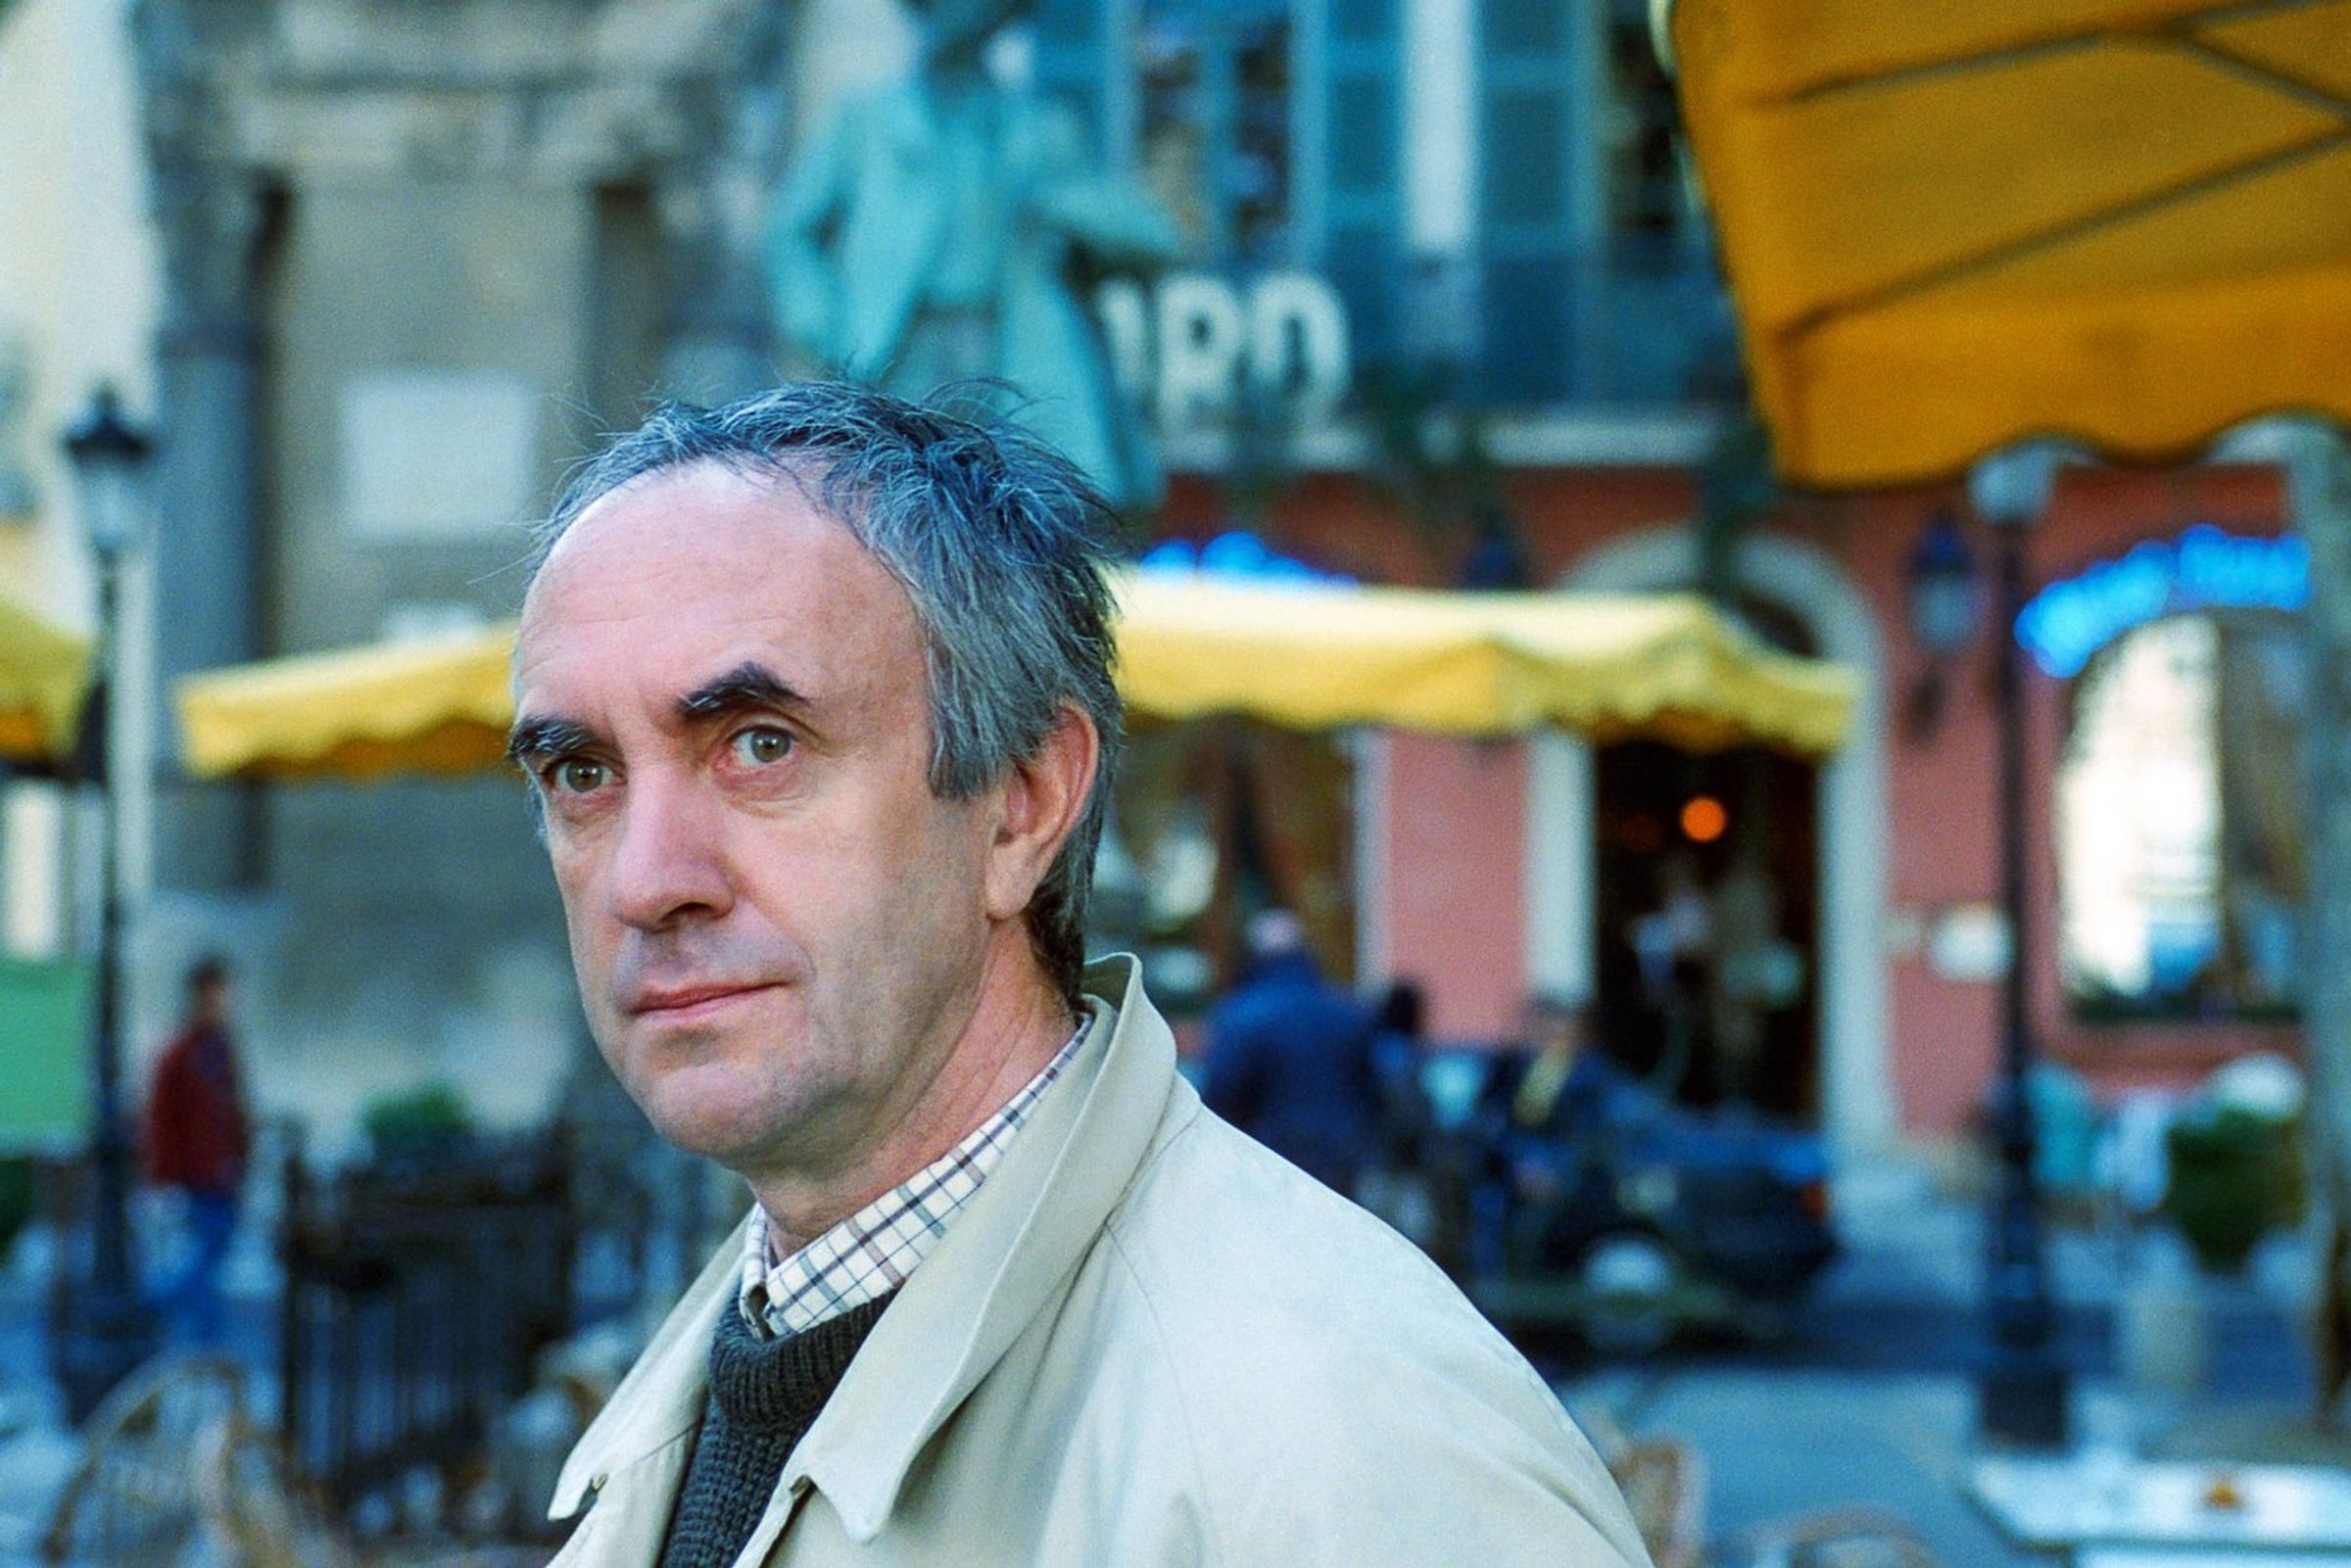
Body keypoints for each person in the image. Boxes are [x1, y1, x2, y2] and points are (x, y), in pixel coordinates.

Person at [512, 383, 1648, 1566]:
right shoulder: (739, 1364)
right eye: (582, 772)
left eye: (761, 744)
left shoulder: (1340, 1442)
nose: (647, 879)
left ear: (1022, 803)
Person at [766, 0, 1180, 509]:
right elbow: (792, 233)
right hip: (900, 345)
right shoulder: (866, 120)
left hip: (1011, 345)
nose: (944, 19)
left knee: (1019, 505)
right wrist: (829, 330)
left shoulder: (1038, 126)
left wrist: (1061, 205)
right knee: (885, 500)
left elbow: (1150, 238)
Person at [1199, 909, 1383, 1197]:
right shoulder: (1347, 1010)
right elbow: (1374, 1087)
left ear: (1255, 955)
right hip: (1341, 1157)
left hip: (1268, 1160)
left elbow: (1222, 1094)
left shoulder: (1242, 1015)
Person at [143, 954, 252, 1349]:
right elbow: (161, 1120)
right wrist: (164, 1180)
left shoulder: (220, 1049)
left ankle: (191, 1335)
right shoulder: (180, 1053)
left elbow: (234, 1112)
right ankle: (160, 1315)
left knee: (210, 1261)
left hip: (222, 1176)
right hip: (197, 1178)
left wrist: (240, 1159)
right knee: (203, 1265)